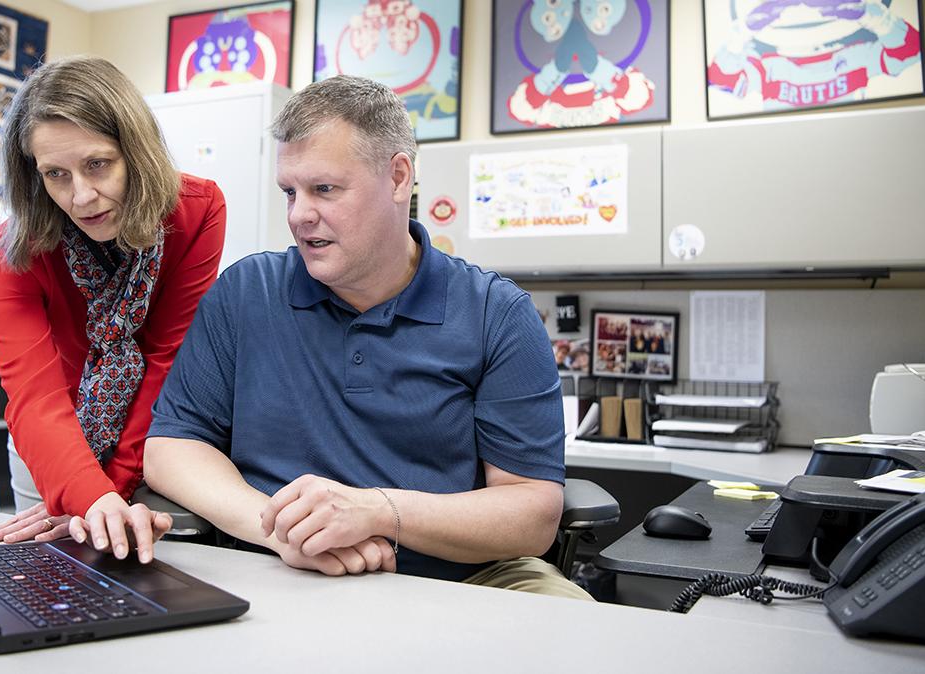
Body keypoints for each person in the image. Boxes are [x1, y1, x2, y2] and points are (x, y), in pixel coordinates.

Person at [141, 75, 591, 598]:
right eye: (290, 192)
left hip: (461, 579)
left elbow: (531, 513)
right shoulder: (246, 292)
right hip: (278, 568)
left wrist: (379, 512)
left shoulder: (498, 313)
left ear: (398, 177)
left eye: (325, 189)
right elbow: (173, 446)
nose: (299, 215)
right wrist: (282, 529)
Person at [0, 56, 227, 565]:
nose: (82, 196)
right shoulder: (11, 255)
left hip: (153, 441)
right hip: (51, 447)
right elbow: (34, 398)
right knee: (52, 579)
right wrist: (83, 495)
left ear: (134, 151)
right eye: (55, 174)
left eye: (98, 164)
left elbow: (164, 360)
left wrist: (103, 496)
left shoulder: (199, 211)